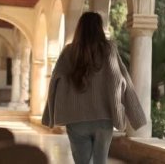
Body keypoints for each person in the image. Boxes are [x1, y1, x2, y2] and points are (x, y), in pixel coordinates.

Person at [42, 12, 146, 164]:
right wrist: (135, 115)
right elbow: (121, 79)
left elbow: (54, 82)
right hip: (103, 118)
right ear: (99, 28)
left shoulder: (68, 52)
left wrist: (49, 116)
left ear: (79, 29)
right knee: (100, 161)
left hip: (75, 119)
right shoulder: (109, 49)